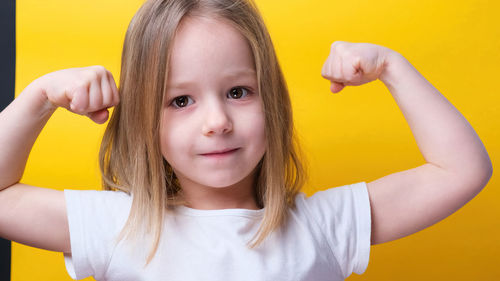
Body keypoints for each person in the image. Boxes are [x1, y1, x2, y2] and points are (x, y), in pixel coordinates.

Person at [0, 0, 492, 280]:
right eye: (180, 101)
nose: (217, 121)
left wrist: (392, 67)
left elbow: (462, 170)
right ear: (142, 122)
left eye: (238, 91)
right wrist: (39, 97)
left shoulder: (323, 226)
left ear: (272, 101)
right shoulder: (118, 227)